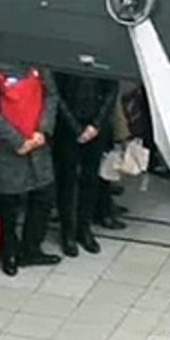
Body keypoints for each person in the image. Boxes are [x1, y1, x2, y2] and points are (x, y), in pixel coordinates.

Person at [0, 58, 61, 276]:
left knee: (43, 196)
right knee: (8, 204)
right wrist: (17, 140)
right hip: (5, 148)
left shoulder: (38, 61)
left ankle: (32, 248)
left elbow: (51, 94)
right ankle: (9, 252)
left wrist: (43, 130)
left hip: (37, 143)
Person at [51, 72, 117, 257]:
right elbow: (56, 94)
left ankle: (84, 228)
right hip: (67, 127)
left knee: (90, 179)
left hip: (96, 126)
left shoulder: (102, 57)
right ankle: (67, 232)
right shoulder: (64, 58)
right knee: (67, 180)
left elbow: (111, 91)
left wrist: (96, 124)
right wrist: (75, 127)